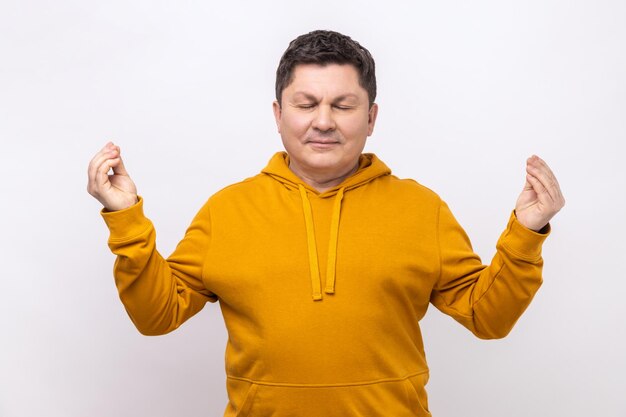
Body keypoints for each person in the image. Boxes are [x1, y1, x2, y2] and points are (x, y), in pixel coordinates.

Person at [87, 30, 565, 417]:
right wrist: (124, 219)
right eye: (305, 103)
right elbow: (156, 316)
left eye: (342, 105)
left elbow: (489, 317)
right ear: (278, 114)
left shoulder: (422, 208)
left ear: (371, 117)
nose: (323, 122)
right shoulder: (226, 210)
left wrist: (526, 234)